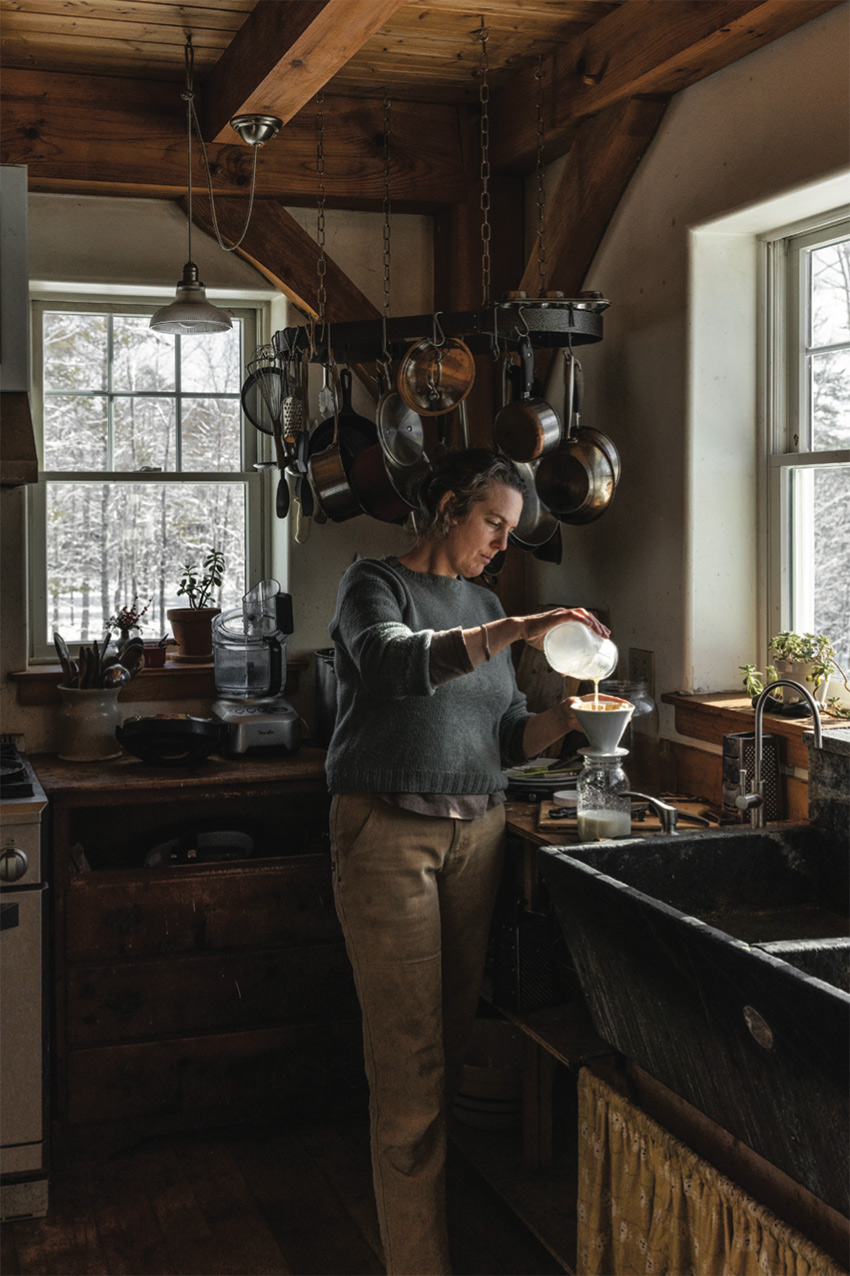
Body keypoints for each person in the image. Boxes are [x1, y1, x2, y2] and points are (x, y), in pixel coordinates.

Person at [325, 449, 611, 1275]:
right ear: (449, 506)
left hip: (476, 835)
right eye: (493, 523)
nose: (501, 545)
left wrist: (575, 715)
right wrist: (519, 630)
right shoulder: (373, 583)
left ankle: (423, 1235)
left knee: (443, 1051)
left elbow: (507, 738)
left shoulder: (486, 600)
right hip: (388, 833)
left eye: (510, 533)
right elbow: (391, 661)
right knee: (409, 1067)